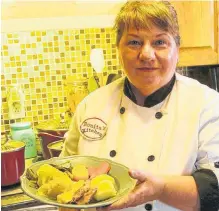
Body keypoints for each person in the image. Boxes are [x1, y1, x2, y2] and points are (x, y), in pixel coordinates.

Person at [59, 1, 219, 211]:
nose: (146, 54)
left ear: (177, 49)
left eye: (160, 42)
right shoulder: (92, 105)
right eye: (134, 42)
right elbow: (66, 175)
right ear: (118, 48)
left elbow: (214, 191)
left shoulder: (206, 105)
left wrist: (160, 189)